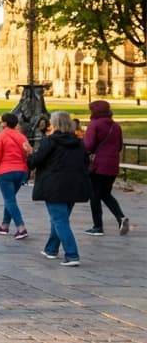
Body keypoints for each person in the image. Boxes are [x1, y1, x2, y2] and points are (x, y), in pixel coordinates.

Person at [29, 111, 91, 266]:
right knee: (59, 219)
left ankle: (72, 254)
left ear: (55, 124)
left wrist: (29, 153)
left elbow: (34, 161)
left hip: (54, 185)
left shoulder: (50, 141)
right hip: (74, 185)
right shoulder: (79, 143)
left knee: (60, 220)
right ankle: (51, 249)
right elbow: (86, 163)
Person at [83, 100, 130, 236]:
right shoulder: (116, 126)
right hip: (112, 165)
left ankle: (98, 226)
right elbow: (119, 146)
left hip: (98, 165)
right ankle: (120, 217)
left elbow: (88, 145)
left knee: (94, 195)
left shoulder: (95, 124)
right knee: (105, 194)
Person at [0, 112, 32, 240]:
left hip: (5, 171)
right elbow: (28, 153)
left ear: (5, 123)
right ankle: (5, 225)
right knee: (10, 198)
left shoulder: (0, 136)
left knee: (9, 200)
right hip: (21, 171)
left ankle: (21, 227)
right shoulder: (22, 137)